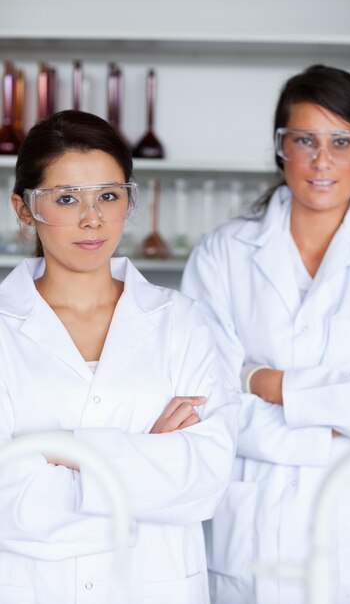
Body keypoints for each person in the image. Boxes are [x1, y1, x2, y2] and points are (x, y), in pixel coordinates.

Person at [181, 64, 350, 604]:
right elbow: (206, 399)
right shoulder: (224, 253)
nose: (322, 159)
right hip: (255, 530)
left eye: (341, 141)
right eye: (304, 139)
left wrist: (271, 383)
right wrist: (342, 419)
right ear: (280, 147)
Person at [0, 109, 238, 604]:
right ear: (23, 209)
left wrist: (62, 447)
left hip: (156, 587)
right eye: (67, 198)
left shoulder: (181, 321)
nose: (93, 218)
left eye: (109, 196)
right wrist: (145, 459)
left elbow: (205, 480)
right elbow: (6, 501)